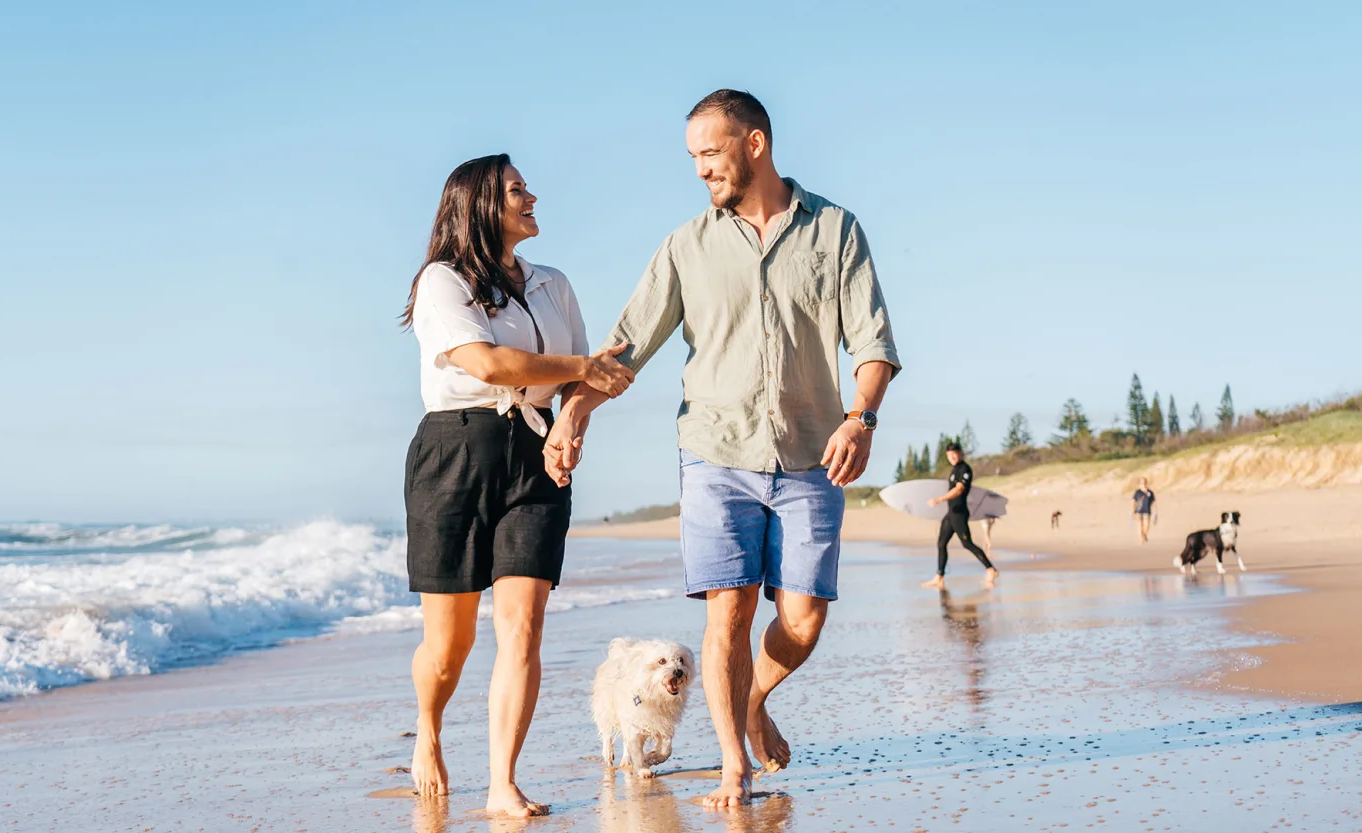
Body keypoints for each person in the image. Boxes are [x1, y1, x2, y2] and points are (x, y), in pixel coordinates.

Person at [544, 90, 899, 807]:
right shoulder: (686, 245)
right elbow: (627, 347)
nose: (701, 169)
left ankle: (747, 700)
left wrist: (860, 417)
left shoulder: (834, 231)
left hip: (809, 453)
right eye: (693, 157)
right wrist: (575, 410)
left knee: (802, 619)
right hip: (714, 452)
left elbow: (873, 344)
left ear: (755, 144)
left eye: (710, 152)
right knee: (727, 615)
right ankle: (733, 766)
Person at [398, 154, 635, 818]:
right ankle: (430, 726)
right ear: (478, 205)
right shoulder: (442, 282)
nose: (531, 197)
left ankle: (503, 780)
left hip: (535, 453)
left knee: (524, 627)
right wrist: (584, 366)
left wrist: (573, 425)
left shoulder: (553, 284)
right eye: (515, 190)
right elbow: (489, 362)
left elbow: (582, 380)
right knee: (450, 646)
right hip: (455, 452)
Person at [921, 443, 998, 589]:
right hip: (951, 512)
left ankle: (991, 569)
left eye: (954, 454)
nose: (952, 457)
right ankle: (939, 577)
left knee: (967, 543)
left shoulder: (964, 469)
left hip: (960, 513)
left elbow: (959, 490)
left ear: (960, 453)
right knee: (941, 543)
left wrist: (939, 499)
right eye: (949, 455)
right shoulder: (954, 470)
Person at [1132, 477, 1157, 543]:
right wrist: (1132, 511)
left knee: (1147, 525)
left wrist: (1155, 510)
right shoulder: (1137, 492)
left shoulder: (1150, 492)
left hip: (1147, 510)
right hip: (1138, 510)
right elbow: (1133, 501)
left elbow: (1154, 501)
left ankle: (1144, 535)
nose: (1143, 484)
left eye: (1144, 482)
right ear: (1139, 484)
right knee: (1140, 525)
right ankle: (1141, 539)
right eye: (1141, 482)